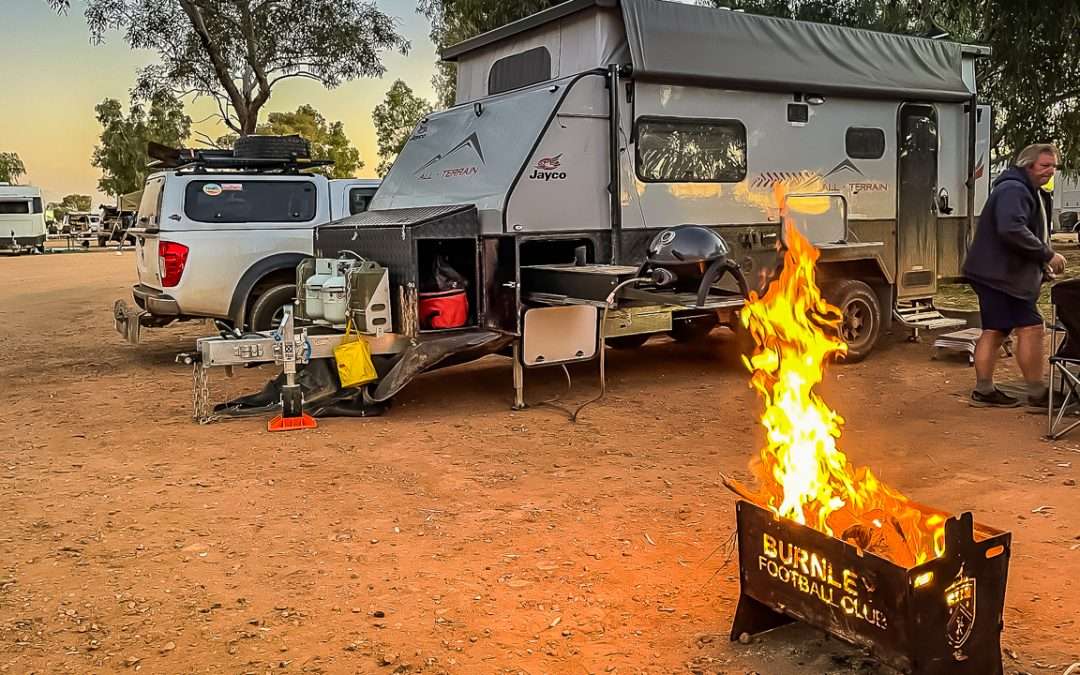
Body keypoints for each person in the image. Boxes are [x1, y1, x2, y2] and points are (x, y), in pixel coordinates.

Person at [962, 142, 1067, 408]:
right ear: (1027, 164)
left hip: (995, 273)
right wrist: (1046, 255)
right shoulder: (1014, 189)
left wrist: (1038, 267)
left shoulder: (1022, 188)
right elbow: (1011, 229)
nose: (1050, 171)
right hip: (1000, 276)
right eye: (1045, 165)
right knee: (1031, 327)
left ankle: (985, 391)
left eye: (1053, 166)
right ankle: (1037, 393)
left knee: (995, 330)